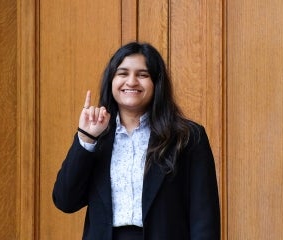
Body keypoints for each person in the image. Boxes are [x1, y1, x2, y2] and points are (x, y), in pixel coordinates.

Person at [52, 42, 220, 240]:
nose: (131, 82)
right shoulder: (98, 137)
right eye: (122, 74)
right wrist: (86, 139)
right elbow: (65, 201)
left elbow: (204, 216)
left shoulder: (188, 137)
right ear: (111, 81)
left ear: (156, 83)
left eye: (143, 75)